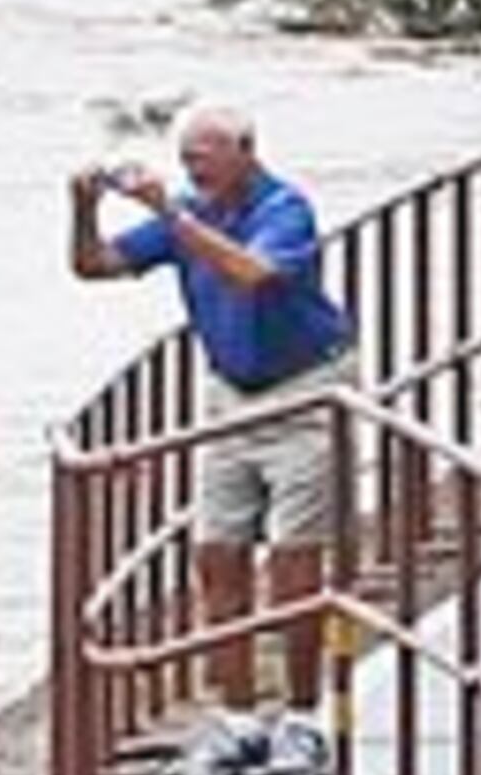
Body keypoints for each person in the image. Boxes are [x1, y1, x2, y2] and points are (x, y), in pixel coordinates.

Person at [68, 104, 356, 720]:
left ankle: (304, 717)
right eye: (185, 161)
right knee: (217, 554)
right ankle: (237, 719)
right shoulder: (189, 215)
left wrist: (169, 214)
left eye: (203, 158)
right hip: (231, 394)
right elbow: (94, 266)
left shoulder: (284, 209)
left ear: (245, 150)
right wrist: (83, 206)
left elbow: (250, 272)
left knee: (293, 563)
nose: (192, 171)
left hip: (306, 389)